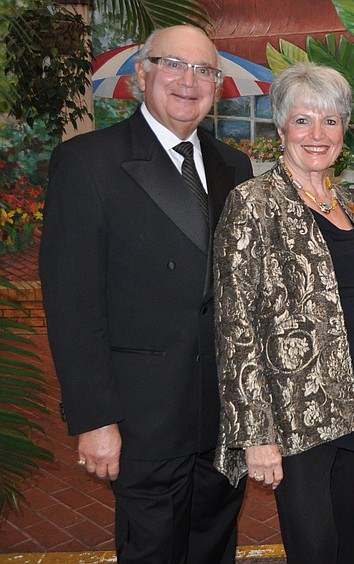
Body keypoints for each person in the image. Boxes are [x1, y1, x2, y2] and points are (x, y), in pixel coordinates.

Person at [39, 25, 252, 563]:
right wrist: (93, 418)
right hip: (143, 418)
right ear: (141, 74)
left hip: (223, 417)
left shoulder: (236, 167)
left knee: (213, 547)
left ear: (217, 85)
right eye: (172, 64)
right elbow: (72, 305)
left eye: (204, 70)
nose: (189, 81)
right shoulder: (87, 163)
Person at [213, 62, 354, 564]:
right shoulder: (252, 203)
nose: (318, 134)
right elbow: (235, 327)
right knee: (314, 548)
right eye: (303, 121)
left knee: (347, 545)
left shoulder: (346, 205)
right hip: (296, 413)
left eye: (331, 121)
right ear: (280, 129)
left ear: (345, 132)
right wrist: (257, 434)